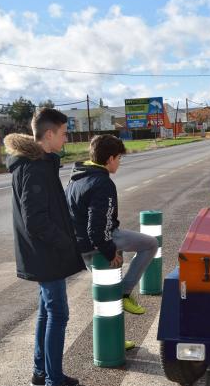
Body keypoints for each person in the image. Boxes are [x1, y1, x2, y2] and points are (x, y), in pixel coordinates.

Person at [5, 108, 85, 386]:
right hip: (46, 254)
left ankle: (41, 373)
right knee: (58, 314)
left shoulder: (37, 162)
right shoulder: (36, 167)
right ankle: (53, 379)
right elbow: (36, 220)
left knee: (47, 312)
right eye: (64, 134)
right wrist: (65, 242)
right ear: (49, 133)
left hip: (42, 253)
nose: (66, 139)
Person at [65, 135, 158, 322]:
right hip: (99, 241)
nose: (119, 162)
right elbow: (98, 226)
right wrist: (109, 251)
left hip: (79, 245)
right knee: (151, 244)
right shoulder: (102, 183)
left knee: (107, 293)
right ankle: (125, 293)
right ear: (110, 159)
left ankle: (113, 340)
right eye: (119, 158)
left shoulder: (76, 178)